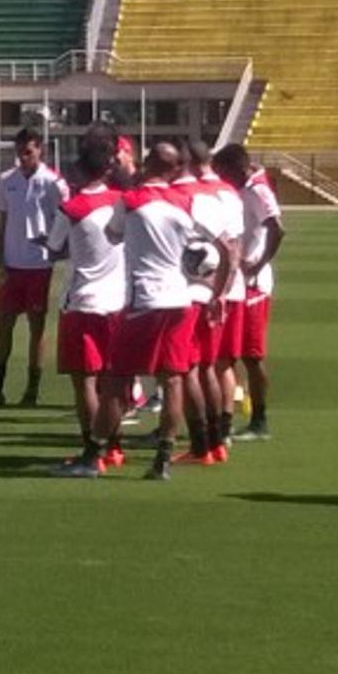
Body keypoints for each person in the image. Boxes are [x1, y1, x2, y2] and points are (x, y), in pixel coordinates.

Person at [109, 136, 205, 480]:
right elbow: (201, 251)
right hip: (178, 298)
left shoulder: (131, 199)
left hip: (144, 299)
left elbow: (112, 235)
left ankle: (97, 450)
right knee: (173, 379)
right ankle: (163, 459)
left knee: (118, 379)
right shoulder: (185, 201)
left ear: (148, 163)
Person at [43, 136, 131, 476]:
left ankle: (90, 451)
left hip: (82, 301)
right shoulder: (123, 200)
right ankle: (116, 446)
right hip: (119, 301)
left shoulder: (73, 208)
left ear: (81, 169)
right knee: (113, 381)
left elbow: (54, 248)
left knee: (86, 384)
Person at [0, 125, 65, 408]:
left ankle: (32, 388)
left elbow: (64, 219)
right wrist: (0, 259)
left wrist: (55, 248)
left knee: (36, 328)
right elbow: (3, 222)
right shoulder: (6, 179)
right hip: (12, 264)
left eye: (29, 152)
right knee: (4, 325)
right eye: (20, 152)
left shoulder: (52, 182)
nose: (24, 157)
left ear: (40, 149)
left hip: (39, 265)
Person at [184, 146, 250, 464]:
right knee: (221, 364)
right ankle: (223, 433)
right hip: (229, 288)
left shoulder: (195, 194)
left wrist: (217, 292)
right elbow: (235, 245)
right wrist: (227, 290)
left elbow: (227, 247)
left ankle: (206, 439)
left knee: (197, 366)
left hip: (205, 290)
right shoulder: (230, 193)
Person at [216, 142, 284, 440]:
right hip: (240, 282)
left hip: (254, 285)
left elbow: (277, 227)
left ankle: (260, 420)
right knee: (229, 353)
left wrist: (257, 265)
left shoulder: (257, 190)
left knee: (251, 355)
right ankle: (230, 412)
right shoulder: (245, 188)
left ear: (237, 169)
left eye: (226, 172)